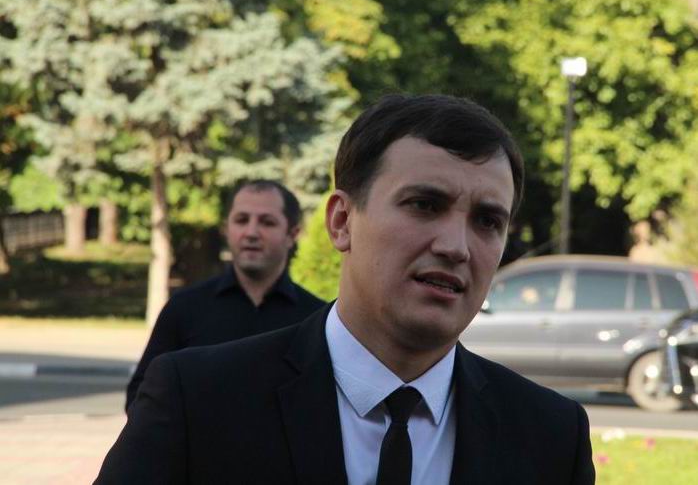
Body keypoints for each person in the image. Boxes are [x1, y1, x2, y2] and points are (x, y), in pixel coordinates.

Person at [96, 95, 595, 484]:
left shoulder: (552, 435)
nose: (455, 247)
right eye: (424, 205)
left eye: (487, 221)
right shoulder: (197, 401)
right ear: (341, 221)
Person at [125, 179, 325, 409]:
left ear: (292, 234)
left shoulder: (316, 319)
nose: (251, 232)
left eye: (267, 222)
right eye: (241, 220)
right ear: (226, 229)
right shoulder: (185, 308)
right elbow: (141, 395)